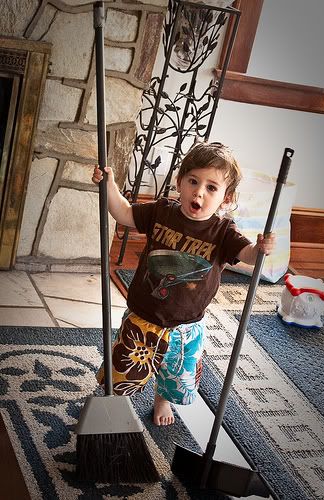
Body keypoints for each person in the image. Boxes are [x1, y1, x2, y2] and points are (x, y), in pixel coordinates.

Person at [92, 141, 275, 426]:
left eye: (211, 187)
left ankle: (162, 400)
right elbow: (124, 213)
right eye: (193, 181)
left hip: (187, 324)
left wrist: (260, 248)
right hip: (143, 315)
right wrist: (109, 186)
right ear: (179, 182)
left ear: (226, 198)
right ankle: (116, 403)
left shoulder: (223, 232)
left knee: (175, 375)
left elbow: (247, 254)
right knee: (123, 372)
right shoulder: (162, 211)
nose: (199, 192)